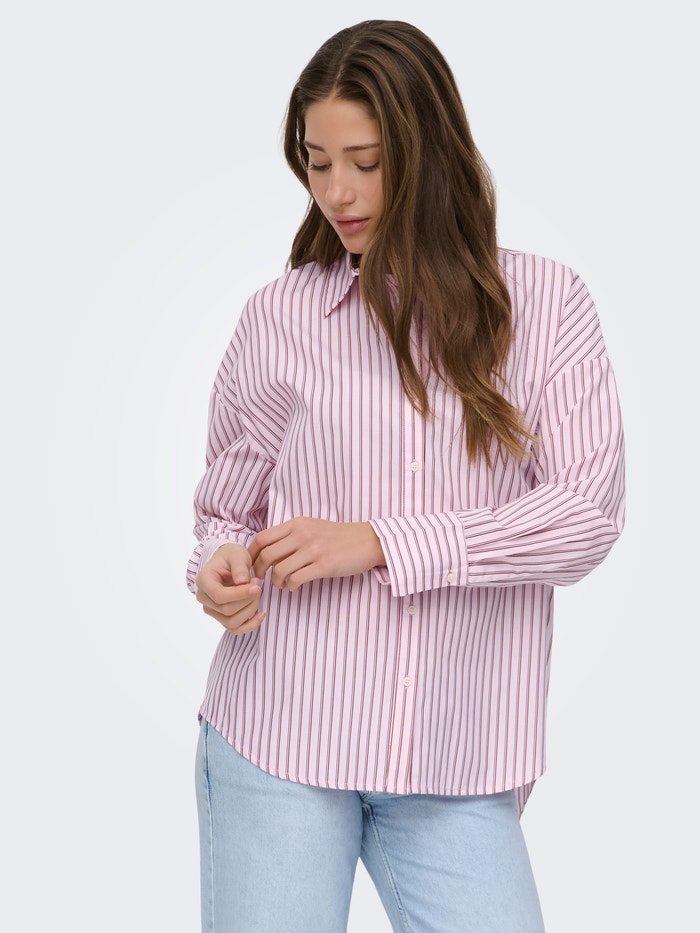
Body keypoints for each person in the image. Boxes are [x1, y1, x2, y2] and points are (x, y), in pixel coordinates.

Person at [187, 19, 625, 932]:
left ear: (429, 156)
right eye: (317, 163)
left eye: (367, 162)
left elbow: (585, 516)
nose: (337, 192)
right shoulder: (280, 318)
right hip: (278, 736)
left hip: (454, 762)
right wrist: (217, 566)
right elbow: (226, 508)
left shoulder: (546, 307)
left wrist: (383, 542)